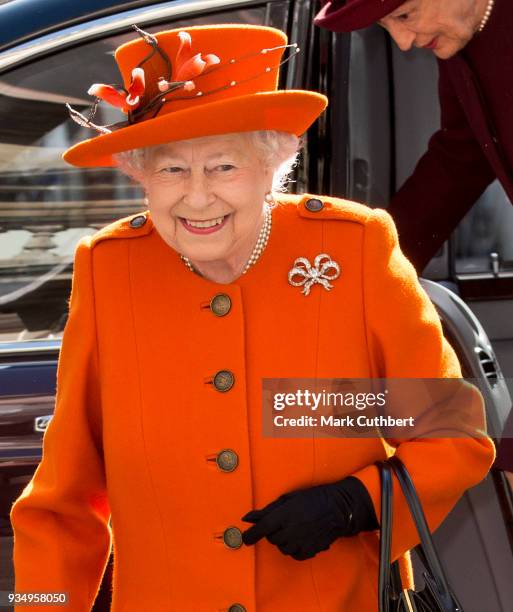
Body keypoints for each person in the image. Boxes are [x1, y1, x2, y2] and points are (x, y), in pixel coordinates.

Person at [10, 23, 494, 611]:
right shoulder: (110, 270)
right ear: (140, 176)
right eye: (170, 170)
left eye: (222, 167)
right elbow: (62, 500)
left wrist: (356, 502)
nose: (196, 197)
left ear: (272, 166)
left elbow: (453, 434)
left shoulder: (351, 250)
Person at [315, 0, 513, 497]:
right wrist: (371, 266)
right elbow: (461, 154)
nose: (404, 42)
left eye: (405, 16)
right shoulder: (467, 39)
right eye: (389, 26)